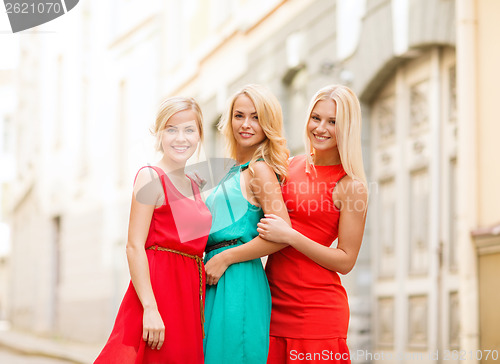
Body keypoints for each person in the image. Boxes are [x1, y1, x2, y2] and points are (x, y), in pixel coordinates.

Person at [208, 85, 368, 364]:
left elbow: (345, 261)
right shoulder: (287, 166)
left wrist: (290, 236)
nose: (321, 128)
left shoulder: (351, 186)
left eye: (333, 122)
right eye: (316, 118)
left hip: (316, 312)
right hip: (270, 300)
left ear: (348, 127)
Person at [94, 97, 212, 364]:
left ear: (199, 135)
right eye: (171, 129)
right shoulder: (150, 177)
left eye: (189, 130)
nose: (180, 138)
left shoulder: (195, 184)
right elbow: (134, 246)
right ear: (158, 134)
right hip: (157, 295)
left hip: (189, 297)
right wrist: (150, 307)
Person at [203, 84, 291, 364]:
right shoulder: (230, 169)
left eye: (255, 117)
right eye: (239, 116)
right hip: (215, 276)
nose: (246, 124)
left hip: (238, 277)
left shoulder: (260, 169)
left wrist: (226, 258)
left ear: (268, 123)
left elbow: (281, 233)